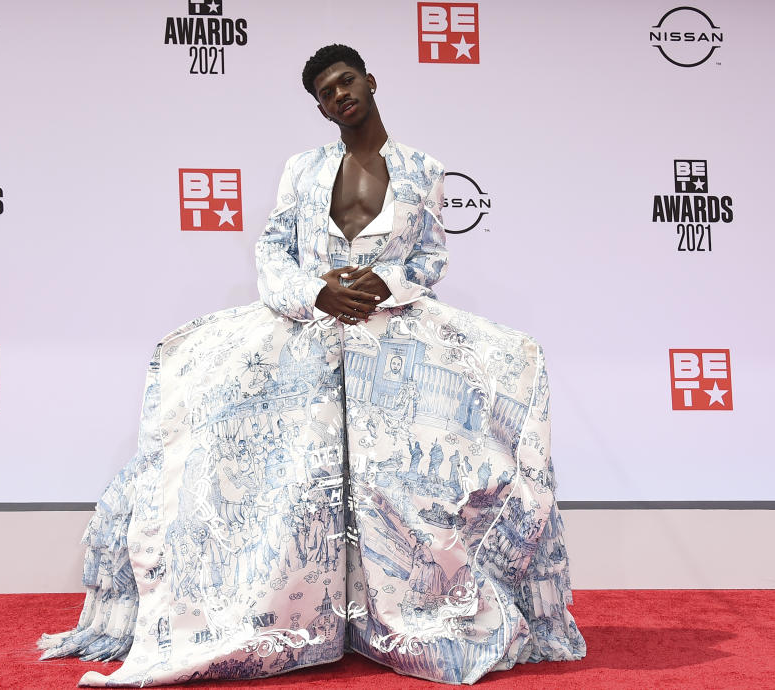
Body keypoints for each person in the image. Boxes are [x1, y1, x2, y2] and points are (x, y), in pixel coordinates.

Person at [37, 44, 586, 686]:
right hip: (309, 334)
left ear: (370, 80)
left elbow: (430, 259)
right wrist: (315, 293)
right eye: (325, 93)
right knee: (285, 481)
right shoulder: (301, 170)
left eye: (346, 81)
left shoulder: (423, 170)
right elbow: (273, 250)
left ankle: (405, 617)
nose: (339, 96)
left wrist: (385, 285)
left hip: (393, 340)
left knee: (410, 476)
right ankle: (292, 622)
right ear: (321, 107)